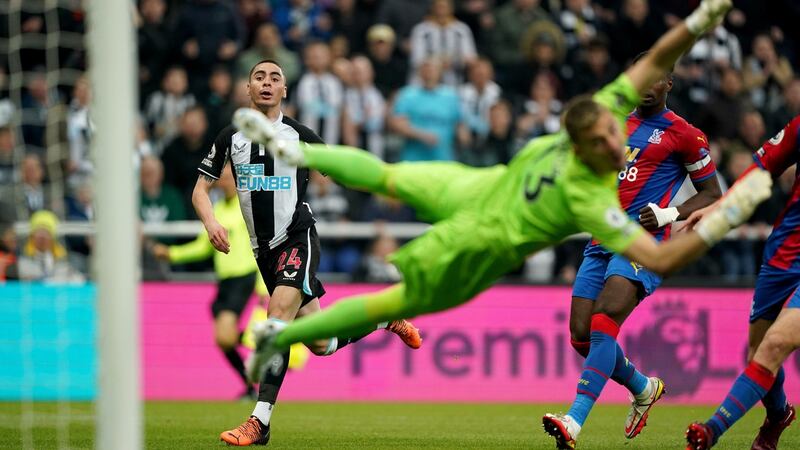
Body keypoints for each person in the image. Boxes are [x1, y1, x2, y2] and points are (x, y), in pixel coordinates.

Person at [239, 1, 759, 445]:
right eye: (607, 137)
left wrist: (694, 24)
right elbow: (667, 256)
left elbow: (653, 71)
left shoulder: (590, 127)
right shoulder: (588, 200)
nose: (615, 142)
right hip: (482, 216)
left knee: (391, 254)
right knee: (387, 193)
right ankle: (296, 156)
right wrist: (728, 215)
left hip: (478, 213)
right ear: (589, 138)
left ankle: (275, 325)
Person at [193, 59, 422, 446]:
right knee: (321, 344)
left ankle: (259, 421)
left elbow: (342, 170)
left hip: (297, 237)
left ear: (284, 91)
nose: (266, 83)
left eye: (275, 78)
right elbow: (200, 189)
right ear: (248, 89)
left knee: (277, 314)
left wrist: (384, 182)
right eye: (259, 77)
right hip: (262, 251)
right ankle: (386, 320)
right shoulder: (230, 136)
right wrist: (211, 222)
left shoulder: (300, 135)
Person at [563, 51, 722, 443]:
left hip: (644, 242)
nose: (646, 86)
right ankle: (644, 388)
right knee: (581, 337)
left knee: (604, 322)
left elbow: (712, 192)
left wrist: (670, 214)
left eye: (656, 79)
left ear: (668, 83)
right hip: (604, 238)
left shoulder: (684, 133)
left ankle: (574, 421)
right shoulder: (613, 123)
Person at [683, 116, 800, 450]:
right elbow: (763, 168)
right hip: (784, 253)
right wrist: (720, 207)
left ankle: (712, 430)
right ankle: (778, 416)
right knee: (758, 352)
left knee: (776, 343)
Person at [152, 165, 261, 399]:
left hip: (244, 276)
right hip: (224, 281)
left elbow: (262, 246)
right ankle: (251, 382)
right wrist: (172, 254)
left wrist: (262, 284)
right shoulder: (218, 209)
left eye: (230, 177)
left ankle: (256, 340)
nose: (225, 182)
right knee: (223, 341)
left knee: (224, 336)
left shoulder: (249, 207)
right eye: (223, 178)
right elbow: (204, 246)